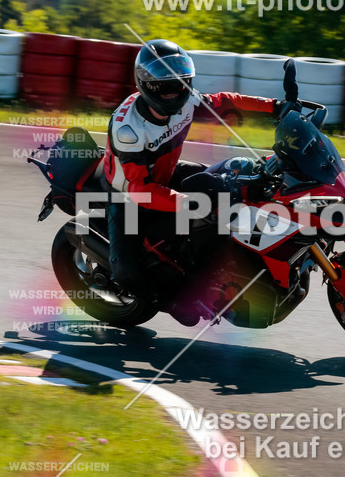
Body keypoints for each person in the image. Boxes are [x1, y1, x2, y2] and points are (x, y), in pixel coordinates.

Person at [101, 38, 279, 300]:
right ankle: (176, 295)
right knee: (128, 276)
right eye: (164, 81)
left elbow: (224, 102)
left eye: (179, 79)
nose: (174, 88)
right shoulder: (129, 129)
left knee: (234, 180)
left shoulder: (187, 101)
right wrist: (186, 202)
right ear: (146, 82)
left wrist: (276, 107)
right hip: (127, 194)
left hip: (167, 173)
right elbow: (139, 189)